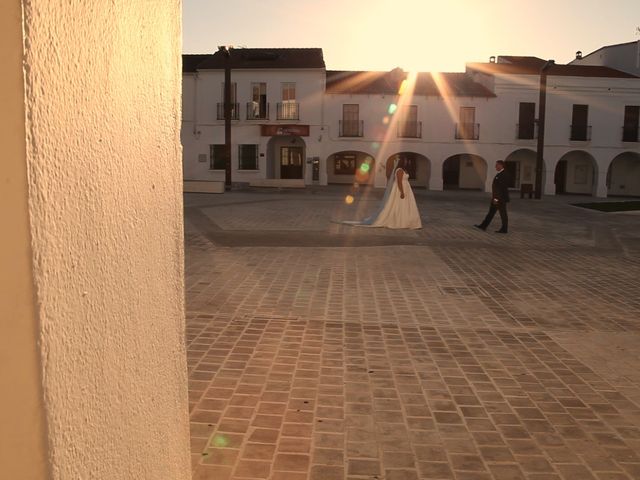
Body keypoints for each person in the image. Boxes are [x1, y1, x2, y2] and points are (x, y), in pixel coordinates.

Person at [368, 158, 422, 229]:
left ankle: (407, 220)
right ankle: (399, 221)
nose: (406, 162)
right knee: (400, 204)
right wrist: (402, 192)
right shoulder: (399, 170)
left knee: (406, 205)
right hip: (401, 189)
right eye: (405, 161)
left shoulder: (403, 170)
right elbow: (399, 182)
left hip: (407, 188)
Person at [475, 160, 510, 233]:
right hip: (497, 198)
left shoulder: (503, 174)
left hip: (500, 199)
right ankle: (483, 226)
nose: (495, 167)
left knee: (502, 213)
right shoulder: (501, 174)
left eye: (497, 165)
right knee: (491, 212)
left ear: (501, 165)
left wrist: (496, 199)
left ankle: (504, 229)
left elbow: (500, 188)